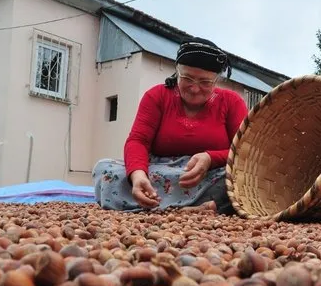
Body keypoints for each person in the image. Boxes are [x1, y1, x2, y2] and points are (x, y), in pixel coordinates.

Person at [92, 37, 249, 215]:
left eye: (205, 82)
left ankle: (156, 208)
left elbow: (243, 152)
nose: (195, 88)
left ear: (216, 80)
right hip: (159, 170)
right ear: (177, 73)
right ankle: (197, 208)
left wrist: (210, 158)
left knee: (238, 179)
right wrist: (138, 175)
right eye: (188, 78)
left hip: (209, 174)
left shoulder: (231, 102)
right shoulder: (157, 96)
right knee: (105, 169)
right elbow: (138, 141)